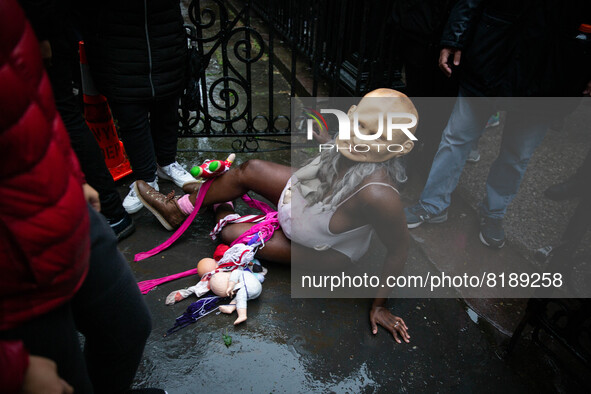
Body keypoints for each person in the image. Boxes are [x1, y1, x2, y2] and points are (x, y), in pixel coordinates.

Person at [135, 89, 416, 343]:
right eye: (359, 125)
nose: (360, 139)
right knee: (251, 169)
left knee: (232, 235)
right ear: (351, 115)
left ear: (399, 148)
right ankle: (182, 208)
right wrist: (329, 141)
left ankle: (217, 200)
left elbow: (399, 249)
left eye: (377, 136)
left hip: (325, 248)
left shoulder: (379, 195)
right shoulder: (347, 144)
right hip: (306, 204)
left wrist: (379, 305)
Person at [0, 1, 156, 392]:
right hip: (16, 270)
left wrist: (72, 174)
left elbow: (41, 107)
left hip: (66, 207)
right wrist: (12, 368)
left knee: (129, 329)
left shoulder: (16, 16)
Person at [404, 0, 591, 248]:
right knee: (457, 137)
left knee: (517, 154)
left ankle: (493, 212)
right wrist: (455, 38)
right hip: (493, 50)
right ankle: (433, 203)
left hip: (550, 67)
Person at [18, 0, 135, 241]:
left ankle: (110, 211)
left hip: (42, 32)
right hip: (43, 30)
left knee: (63, 115)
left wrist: (41, 33)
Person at [79, 0, 197, 214]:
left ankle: (167, 163)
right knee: (130, 114)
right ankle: (146, 179)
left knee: (168, 103)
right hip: (118, 38)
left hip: (164, 32)